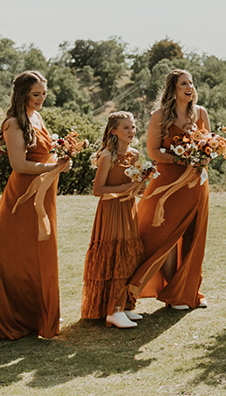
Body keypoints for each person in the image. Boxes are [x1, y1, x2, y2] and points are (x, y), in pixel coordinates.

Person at [0, 71, 71, 339]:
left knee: (41, 252)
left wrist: (63, 156)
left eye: (44, 94)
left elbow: (46, 150)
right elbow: (19, 165)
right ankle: (16, 316)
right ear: (22, 94)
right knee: (19, 255)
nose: (41, 99)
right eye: (36, 94)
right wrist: (53, 166)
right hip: (22, 197)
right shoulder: (13, 123)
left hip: (45, 193)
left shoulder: (38, 117)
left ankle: (37, 315)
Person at [126, 70, 211, 310]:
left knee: (194, 237)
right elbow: (153, 152)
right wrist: (182, 159)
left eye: (192, 83)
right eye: (184, 83)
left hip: (196, 183)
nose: (190, 87)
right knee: (167, 237)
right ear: (173, 89)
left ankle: (189, 290)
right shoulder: (160, 116)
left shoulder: (201, 113)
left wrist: (204, 155)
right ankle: (172, 289)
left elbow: (210, 145)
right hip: (168, 184)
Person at [81, 112, 146, 329]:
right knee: (115, 256)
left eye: (133, 127)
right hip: (111, 211)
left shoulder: (135, 154)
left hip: (128, 209)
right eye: (126, 127)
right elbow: (98, 190)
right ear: (114, 131)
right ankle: (113, 311)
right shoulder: (107, 155)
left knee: (129, 256)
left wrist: (143, 186)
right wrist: (127, 188)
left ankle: (125, 306)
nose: (131, 131)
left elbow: (136, 186)